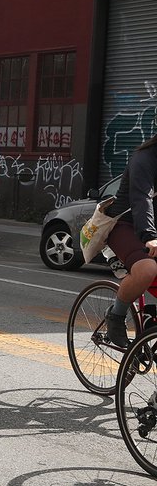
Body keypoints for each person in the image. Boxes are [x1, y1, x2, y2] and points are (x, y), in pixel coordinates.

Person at [104, 133, 157, 346]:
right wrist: (150, 237)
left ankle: (150, 324)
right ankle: (116, 316)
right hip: (126, 225)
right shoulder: (144, 158)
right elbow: (140, 198)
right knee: (147, 269)